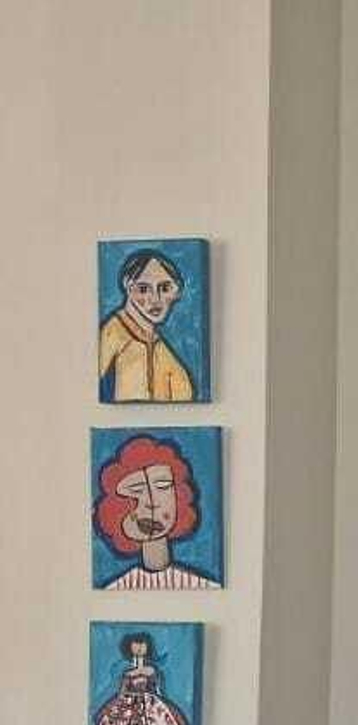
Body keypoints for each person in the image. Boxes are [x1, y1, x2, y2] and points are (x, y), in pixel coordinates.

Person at [93, 433, 220, 590]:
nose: (151, 504)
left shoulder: (205, 586)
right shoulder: (113, 589)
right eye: (136, 490)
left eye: (162, 487)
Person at [98, 248, 195, 402]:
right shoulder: (112, 334)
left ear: (176, 292)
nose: (155, 299)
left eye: (165, 288)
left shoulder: (170, 362)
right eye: (143, 289)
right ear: (128, 287)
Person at [88, 632, 193, 725]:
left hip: (150, 702)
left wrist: (162, 705)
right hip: (128, 702)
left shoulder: (151, 670)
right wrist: (118, 705)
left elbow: (157, 689)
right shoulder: (127, 673)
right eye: (136, 645)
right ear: (129, 648)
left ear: (147, 647)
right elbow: (122, 691)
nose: (139, 648)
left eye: (142, 645)